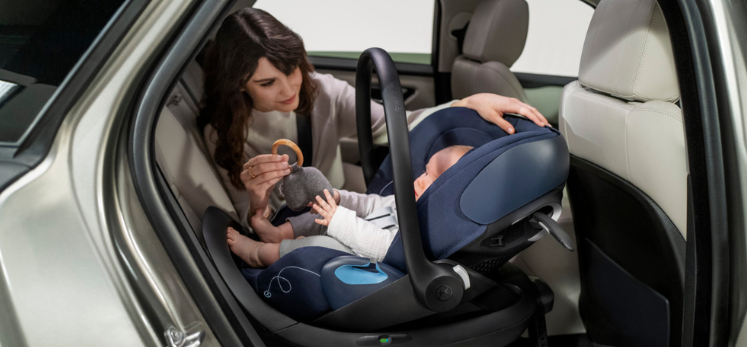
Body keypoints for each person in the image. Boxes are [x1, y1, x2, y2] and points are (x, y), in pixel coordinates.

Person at [200, 8, 549, 237]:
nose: (290, 88)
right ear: (238, 84)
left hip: (342, 201)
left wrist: (468, 103)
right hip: (284, 229)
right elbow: (249, 222)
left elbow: (400, 125)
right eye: (266, 83)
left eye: (292, 70)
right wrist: (257, 199)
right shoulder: (222, 134)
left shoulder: (322, 90)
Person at [226, 145, 472, 267]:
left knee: (320, 243)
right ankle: (275, 234)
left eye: (433, 178)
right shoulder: (410, 202)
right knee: (320, 216)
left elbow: (385, 248)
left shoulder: (427, 231)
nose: (420, 179)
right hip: (354, 232)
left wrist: (339, 219)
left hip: (363, 261)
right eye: (426, 170)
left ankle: (258, 254)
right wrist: (339, 199)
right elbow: (373, 203)